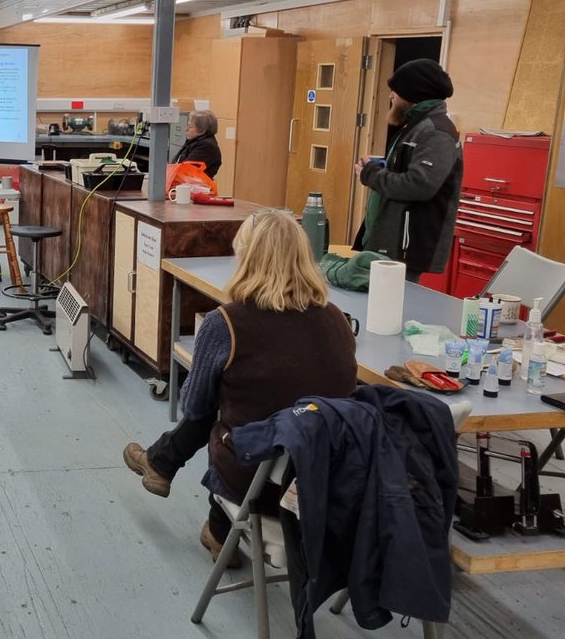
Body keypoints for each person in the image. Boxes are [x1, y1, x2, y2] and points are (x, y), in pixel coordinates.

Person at [121, 208, 357, 564]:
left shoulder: (225, 323)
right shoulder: (337, 319)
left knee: (225, 418)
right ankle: (213, 528)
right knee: (262, 412)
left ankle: (166, 467)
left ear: (246, 257)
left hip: (260, 484)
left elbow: (194, 407)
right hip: (328, 484)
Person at [353, 59, 463, 282]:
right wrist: (382, 167)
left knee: (392, 311)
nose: (391, 96)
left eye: (396, 90)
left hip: (405, 248)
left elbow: (419, 185)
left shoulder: (436, 132)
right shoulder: (415, 126)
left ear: (413, 94)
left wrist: (371, 175)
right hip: (388, 241)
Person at [172, 109, 221, 179]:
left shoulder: (206, 146)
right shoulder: (194, 141)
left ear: (202, 130)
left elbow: (186, 170)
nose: (186, 129)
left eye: (190, 127)